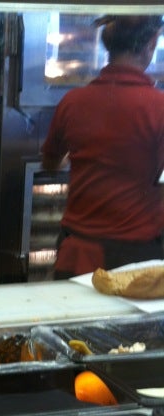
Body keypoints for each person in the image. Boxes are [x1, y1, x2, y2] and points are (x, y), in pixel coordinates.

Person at [41, 14, 164, 279]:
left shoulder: (72, 101)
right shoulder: (159, 107)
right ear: (151, 43)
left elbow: (50, 163)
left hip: (76, 252)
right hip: (134, 260)